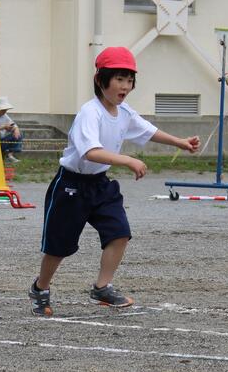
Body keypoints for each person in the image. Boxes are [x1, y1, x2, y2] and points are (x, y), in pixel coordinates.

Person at [28, 46, 200, 316]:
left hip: (100, 184)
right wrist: (128, 160)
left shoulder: (124, 112)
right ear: (100, 80)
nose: (125, 86)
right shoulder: (90, 112)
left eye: (129, 80)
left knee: (119, 233)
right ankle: (41, 287)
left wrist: (180, 142)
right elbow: (91, 152)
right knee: (58, 247)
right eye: (119, 79)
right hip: (71, 185)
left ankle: (102, 287)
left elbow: (148, 130)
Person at [0, 96, 23, 163]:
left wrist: (16, 129)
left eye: (5, 110)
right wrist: (3, 127)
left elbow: (13, 124)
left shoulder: (5, 116)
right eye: (3, 110)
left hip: (2, 141)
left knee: (18, 134)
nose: (5, 111)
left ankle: (9, 155)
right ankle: (6, 154)